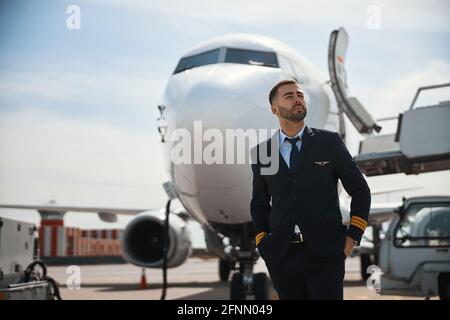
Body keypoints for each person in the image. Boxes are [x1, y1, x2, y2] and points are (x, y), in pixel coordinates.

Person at [250, 79, 371, 300]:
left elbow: (360, 190)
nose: (297, 99)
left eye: (300, 95)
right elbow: (259, 204)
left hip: (326, 254)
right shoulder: (262, 152)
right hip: (282, 256)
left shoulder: (329, 142)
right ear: (274, 109)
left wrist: (352, 236)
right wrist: (262, 241)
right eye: (289, 96)